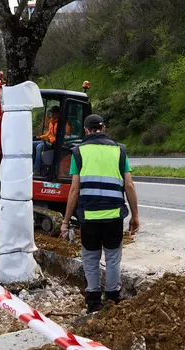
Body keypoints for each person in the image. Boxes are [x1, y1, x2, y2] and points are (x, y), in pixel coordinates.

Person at [61, 114, 139, 313]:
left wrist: (65, 220)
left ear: (86, 130)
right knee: (113, 257)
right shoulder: (119, 151)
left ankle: (93, 300)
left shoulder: (78, 152)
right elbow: (129, 185)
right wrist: (135, 216)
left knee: (90, 257)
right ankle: (113, 297)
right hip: (113, 216)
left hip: (89, 216)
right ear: (103, 128)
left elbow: (74, 190)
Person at [34, 106, 61, 173]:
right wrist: (40, 137)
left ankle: (37, 169)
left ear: (57, 114)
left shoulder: (61, 124)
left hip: (54, 144)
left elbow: (61, 137)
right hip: (48, 141)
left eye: (53, 113)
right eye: (51, 113)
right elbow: (49, 133)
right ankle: (32, 164)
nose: (51, 114)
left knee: (39, 147)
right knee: (32, 144)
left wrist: (49, 140)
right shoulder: (51, 122)